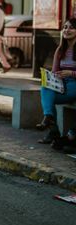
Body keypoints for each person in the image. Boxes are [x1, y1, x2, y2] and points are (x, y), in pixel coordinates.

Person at [36, 18, 76, 147]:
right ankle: (49, 118)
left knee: (48, 96)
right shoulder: (60, 50)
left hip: (74, 84)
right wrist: (52, 78)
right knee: (45, 87)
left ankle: (51, 126)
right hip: (62, 84)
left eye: (71, 27)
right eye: (65, 27)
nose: (67, 30)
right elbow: (54, 71)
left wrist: (71, 73)